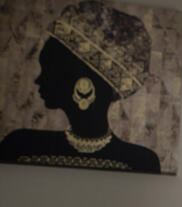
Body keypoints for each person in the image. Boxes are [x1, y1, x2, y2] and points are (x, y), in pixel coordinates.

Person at [0, 1, 160, 173]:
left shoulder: (141, 161)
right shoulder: (19, 145)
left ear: (83, 85)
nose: (38, 80)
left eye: (48, 70)